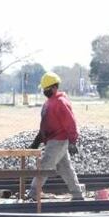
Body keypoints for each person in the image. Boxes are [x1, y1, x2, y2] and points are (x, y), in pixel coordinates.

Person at [27, 72, 84, 200]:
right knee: (65, 168)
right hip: (53, 140)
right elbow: (45, 125)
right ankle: (77, 194)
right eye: (43, 89)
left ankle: (33, 193)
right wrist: (37, 141)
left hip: (58, 141)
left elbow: (70, 122)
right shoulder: (49, 103)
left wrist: (73, 141)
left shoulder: (60, 102)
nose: (44, 91)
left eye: (46, 89)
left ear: (54, 87)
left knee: (45, 165)